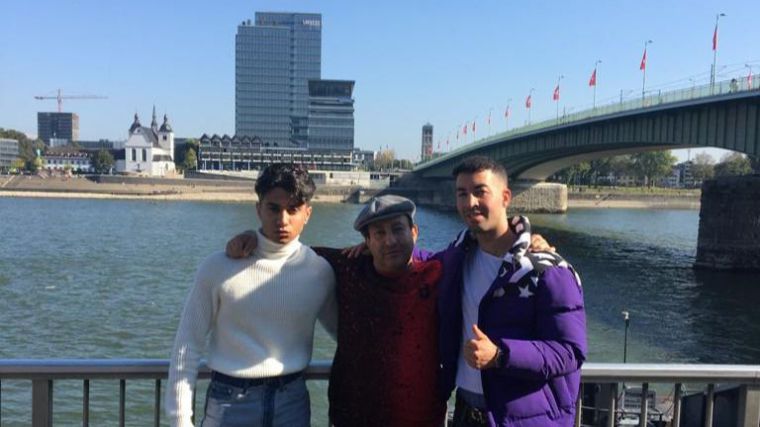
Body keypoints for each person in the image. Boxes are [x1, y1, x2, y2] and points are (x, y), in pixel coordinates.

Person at [227, 195, 447, 426]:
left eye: (397, 229)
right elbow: (290, 254)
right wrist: (253, 238)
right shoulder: (346, 268)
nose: (390, 241)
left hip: (421, 418)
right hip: (351, 416)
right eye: (379, 233)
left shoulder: (437, 273)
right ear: (367, 241)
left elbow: (473, 249)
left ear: (414, 233)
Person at [165, 163, 338, 427]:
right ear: (258, 209)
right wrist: (180, 420)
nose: (283, 220)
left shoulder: (320, 271)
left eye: (293, 210)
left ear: (308, 213)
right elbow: (187, 346)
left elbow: (348, 334)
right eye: (273, 208)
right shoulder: (218, 267)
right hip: (229, 403)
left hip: (292, 402)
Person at [437, 155, 587, 427]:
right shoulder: (456, 257)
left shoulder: (546, 269)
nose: (470, 203)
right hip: (465, 411)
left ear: (506, 197)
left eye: (480, 191)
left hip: (525, 419)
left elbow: (570, 352)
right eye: (462, 193)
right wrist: (370, 251)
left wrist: (500, 355)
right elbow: (415, 264)